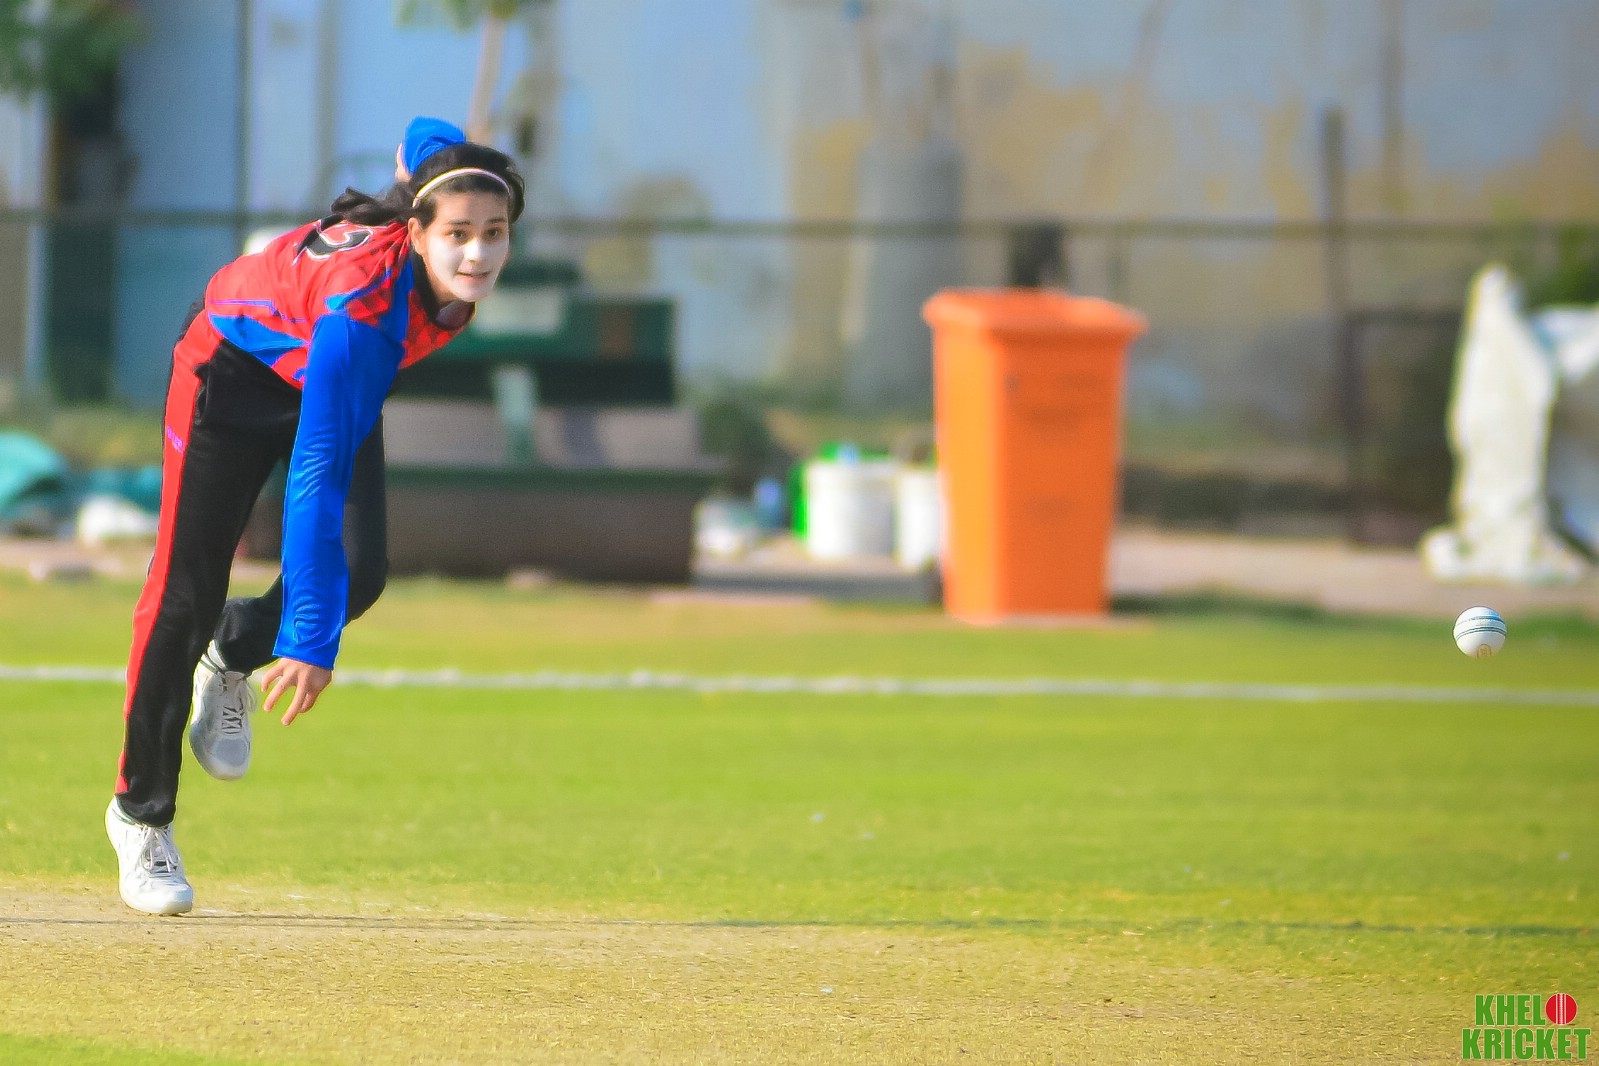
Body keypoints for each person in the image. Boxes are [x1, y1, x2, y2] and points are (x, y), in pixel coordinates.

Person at [106, 117, 525, 916]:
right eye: (458, 234)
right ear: (416, 232)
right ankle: (140, 815)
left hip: (317, 374)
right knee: (183, 594)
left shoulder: (432, 242)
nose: (476, 253)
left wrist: (434, 152)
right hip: (231, 372)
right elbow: (316, 478)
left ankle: (232, 650)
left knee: (357, 575)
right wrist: (307, 638)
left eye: (494, 233)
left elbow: (425, 136)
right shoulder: (362, 314)